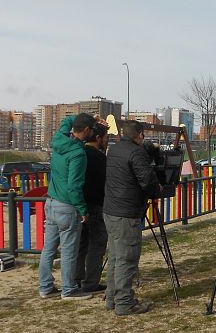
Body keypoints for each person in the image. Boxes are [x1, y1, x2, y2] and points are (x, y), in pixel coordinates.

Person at [103, 120, 162, 316]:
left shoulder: (115, 149)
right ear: (140, 135)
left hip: (110, 210)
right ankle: (125, 302)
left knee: (115, 256)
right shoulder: (136, 153)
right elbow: (147, 180)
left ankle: (112, 298)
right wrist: (158, 190)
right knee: (127, 259)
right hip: (126, 212)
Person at [38, 113, 95, 300]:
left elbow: (65, 122)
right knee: (69, 250)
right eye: (91, 129)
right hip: (67, 206)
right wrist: (83, 209)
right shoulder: (78, 154)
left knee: (49, 249)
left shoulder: (59, 140)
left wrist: (83, 117)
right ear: (86, 130)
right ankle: (69, 289)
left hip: (51, 202)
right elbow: (74, 186)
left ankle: (45, 286)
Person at [75, 118, 109, 293]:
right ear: (98, 138)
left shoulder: (79, 153)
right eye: (106, 137)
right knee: (97, 246)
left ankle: (76, 279)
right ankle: (91, 282)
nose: (107, 141)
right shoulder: (100, 158)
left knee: (81, 245)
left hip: (81, 205)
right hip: (97, 205)